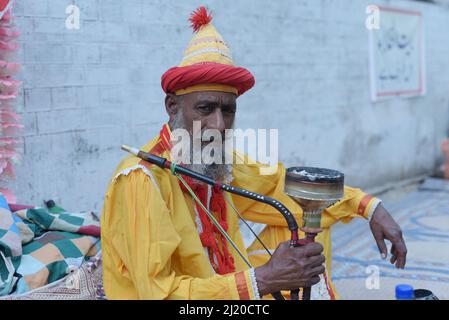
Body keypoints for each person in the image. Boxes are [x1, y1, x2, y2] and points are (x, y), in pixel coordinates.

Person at [101, 7, 407, 300]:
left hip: (230, 288)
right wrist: (264, 279)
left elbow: (281, 188)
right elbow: (158, 293)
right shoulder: (141, 180)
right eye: (205, 108)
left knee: (305, 226)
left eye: (228, 111)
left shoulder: (216, 163)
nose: (218, 125)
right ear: (172, 106)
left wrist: (368, 207)